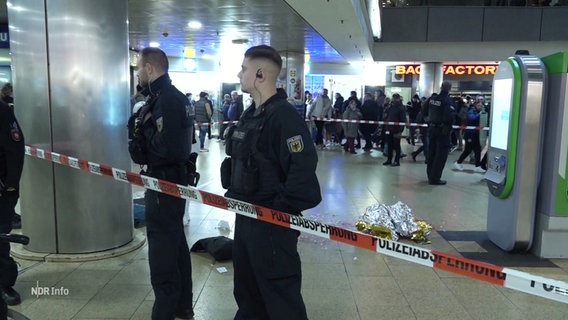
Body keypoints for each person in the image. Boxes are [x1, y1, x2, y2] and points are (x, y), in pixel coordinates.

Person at [223, 45, 322, 320]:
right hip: (246, 218)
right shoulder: (251, 114)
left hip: (271, 224)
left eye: (244, 69)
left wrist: (277, 211)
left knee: (280, 298)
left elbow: (302, 171)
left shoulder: (284, 117)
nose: (239, 74)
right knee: (248, 293)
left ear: (259, 74)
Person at [128, 47, 194, 320]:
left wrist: (140, 142)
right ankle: (182, 306)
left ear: (150, 68)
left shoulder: (166, 100)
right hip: (171, 180)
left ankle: (164, 311)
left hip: (164, 182)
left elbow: (168, 148)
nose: (139, 73)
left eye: (140, 68)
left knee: (162, 251)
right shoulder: (168, 97)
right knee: (176, 243)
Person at [0, 94, 24, 307]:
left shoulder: (2, 110)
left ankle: (4, 284)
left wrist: (10, 186)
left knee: (0, 239)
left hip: (1, 190)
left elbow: (15, 149)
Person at [422, 81, 455, 185]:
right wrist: (448, 125)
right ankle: (435, 178)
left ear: (441, 87)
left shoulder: (432, 99)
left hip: (432, 129)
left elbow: (423, 109)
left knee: (431, 153)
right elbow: (448, 117)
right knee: (441, 155)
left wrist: (428, 120)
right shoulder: (447, 101)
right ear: (449, 88)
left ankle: (430, 175)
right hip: (442, 131)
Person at [382, 93, 407, 167]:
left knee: (396, 146)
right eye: (393, 98)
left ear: (399, 99)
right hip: (389, 128)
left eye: (396, 98)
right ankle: (389, 160)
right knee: (389, 145)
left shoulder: (401, 108)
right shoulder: (390, 106)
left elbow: (403, 120)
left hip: (396, 129)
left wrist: (400, 131)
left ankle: (397, 161)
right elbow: (386, 115)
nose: (394, 100)